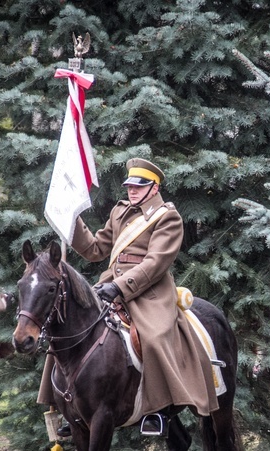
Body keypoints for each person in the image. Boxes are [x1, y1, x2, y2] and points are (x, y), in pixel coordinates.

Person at [67, 157, 219, 436]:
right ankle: (69, 407)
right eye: (129, 186)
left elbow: (155, 262)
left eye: (139, 186)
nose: (132, 191)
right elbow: (95, 250)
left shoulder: (167, 217)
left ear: (154, 187)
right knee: (71, 327)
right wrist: (72, 221)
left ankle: (157, 410)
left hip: (148, 291)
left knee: (155, 336)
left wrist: (121, 286)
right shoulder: (120, 211)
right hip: (110, 285)